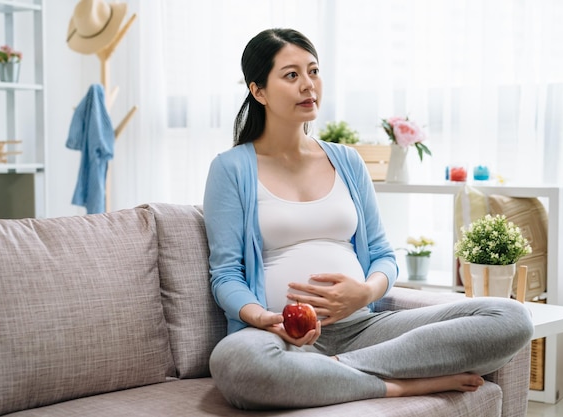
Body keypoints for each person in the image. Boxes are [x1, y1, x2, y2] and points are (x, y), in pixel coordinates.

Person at [202, 28, 533, 410]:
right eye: (291, 75)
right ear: (258, 91)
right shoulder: (231, 169)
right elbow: (225, 274)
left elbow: (382, 254)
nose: (308, 85)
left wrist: (366, 292)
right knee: (236, 364)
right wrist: (264, 318)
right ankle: (400, 385)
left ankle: (330, 373)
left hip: (365, 328)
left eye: (313, 71)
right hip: (280, 340)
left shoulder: (347, 161)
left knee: (510, 316)